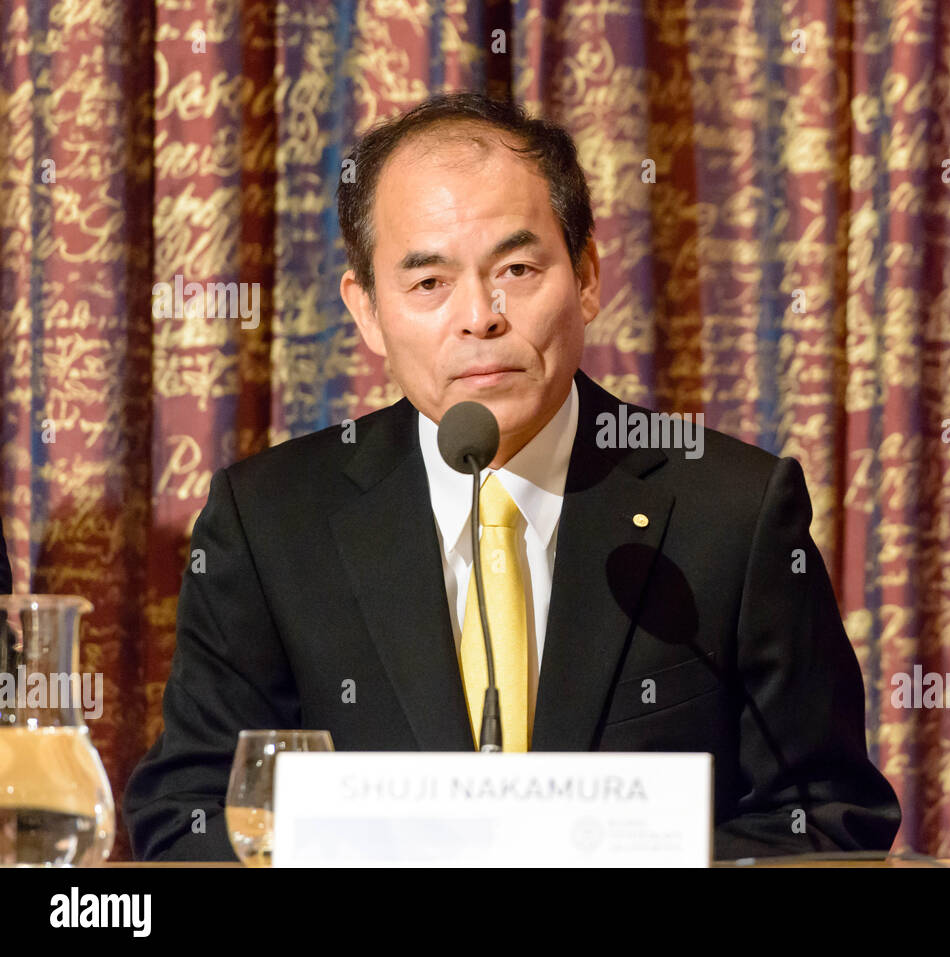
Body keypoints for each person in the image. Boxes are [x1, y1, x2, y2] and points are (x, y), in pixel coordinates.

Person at [124, 92, 900, 861]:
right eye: (428, 283)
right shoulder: (269, 524)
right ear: (365, 311)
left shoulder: (730, 509)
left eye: (518, 268)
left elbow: (827, 817)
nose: (480, 316)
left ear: (587, 275)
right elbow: (189, 816)